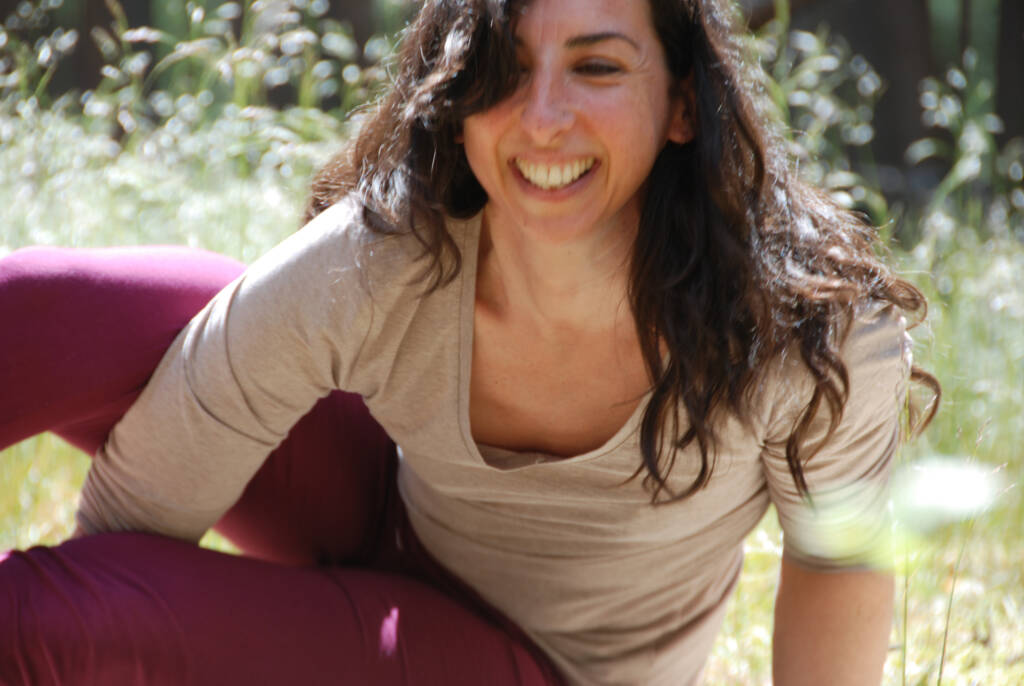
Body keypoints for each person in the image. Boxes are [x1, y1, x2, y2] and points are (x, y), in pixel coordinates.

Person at [0, 0, 939, 684]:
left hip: (529, 665)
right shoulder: (391, 254)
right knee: (47, 306)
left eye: (598, 68)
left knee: (39, 622)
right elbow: (133, 522)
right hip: (385, 513)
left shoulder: (805, 330)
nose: (542, 117)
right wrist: (119, 620)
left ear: (684, 104)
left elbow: (835, 559)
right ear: (457, 90)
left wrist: (76, 630)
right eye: (503, 67)